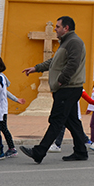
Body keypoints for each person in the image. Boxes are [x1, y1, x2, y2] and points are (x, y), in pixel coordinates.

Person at [20, 16, 88, 163]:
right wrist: (36, 68)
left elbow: (73, 64)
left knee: (56, 120)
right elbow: (54, 62)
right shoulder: (66, 43)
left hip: (68, 88)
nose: (55, 29)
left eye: (57, 27)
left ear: (66, 28)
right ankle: (81, 151)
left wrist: (60, 81)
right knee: (72, 121)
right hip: (66, 88)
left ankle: (39, 152)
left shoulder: (74, 42)